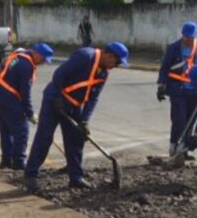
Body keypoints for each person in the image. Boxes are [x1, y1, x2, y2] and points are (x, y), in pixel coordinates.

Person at [24, 41, 129, 192]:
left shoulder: (104, 72)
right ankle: (31, 175)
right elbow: (60, 74)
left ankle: (76, 177)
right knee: (44, 137)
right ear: (108, 55)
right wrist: (55, 97)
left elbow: (94, 98)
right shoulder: (85, 56)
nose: (116, 65)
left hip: (74, 105)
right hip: (54, 101)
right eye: (116, 61)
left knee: (76, 138)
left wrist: (85, 120)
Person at [0, 43, 54, 171]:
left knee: (6, 128)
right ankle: (18, 162)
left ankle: (6, 160)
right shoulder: (27, 66)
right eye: (42, 59)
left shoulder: (19, 54)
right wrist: (30, 113)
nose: (43, 62)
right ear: (36, 53)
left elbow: (3, 68)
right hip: (6, 95)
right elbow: (25, 93)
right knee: (22, 129)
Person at [157, 21, 197, 156]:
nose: (189, 40)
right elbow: (164, 67)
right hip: (178, 89)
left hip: (195, 90)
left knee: (191, 119)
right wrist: (161, 86)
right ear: (182, 35)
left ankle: (184, 149)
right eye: (186, 37)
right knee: (179, 119)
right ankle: (174, 144)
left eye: (191, 37)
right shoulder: (173, 48)